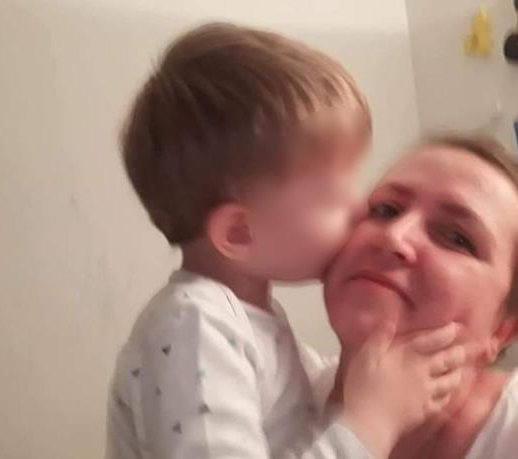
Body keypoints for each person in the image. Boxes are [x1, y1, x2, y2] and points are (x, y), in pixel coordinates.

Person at [106, 22, 469, 459]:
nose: (361, 207)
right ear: (239, 232)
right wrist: (374, 420)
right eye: (336, 193)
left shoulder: (248, 318)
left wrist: (374, 380)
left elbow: (302, 422)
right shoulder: (195, 328)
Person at [324, 134, 518, 459]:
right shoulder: (281, 391)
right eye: (385, 210)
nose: (395, 237)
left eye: (457, 238)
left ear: (503, 330)